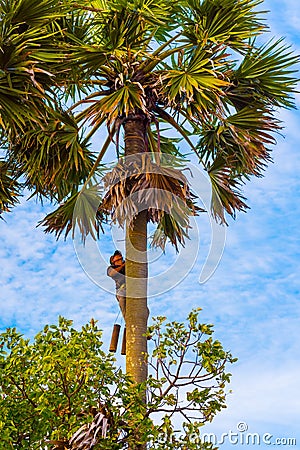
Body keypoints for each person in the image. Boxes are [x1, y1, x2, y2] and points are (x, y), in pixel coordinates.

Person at [107, 250, 126, 321]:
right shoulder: (111, 268)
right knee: (122, 299)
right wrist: (123, 265)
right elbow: (112, 273)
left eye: (121, 259)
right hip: (121, 290)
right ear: (113, 262)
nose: (120, 260)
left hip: (131, 288)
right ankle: (127, 320)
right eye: (118, 259)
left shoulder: (126, 266)